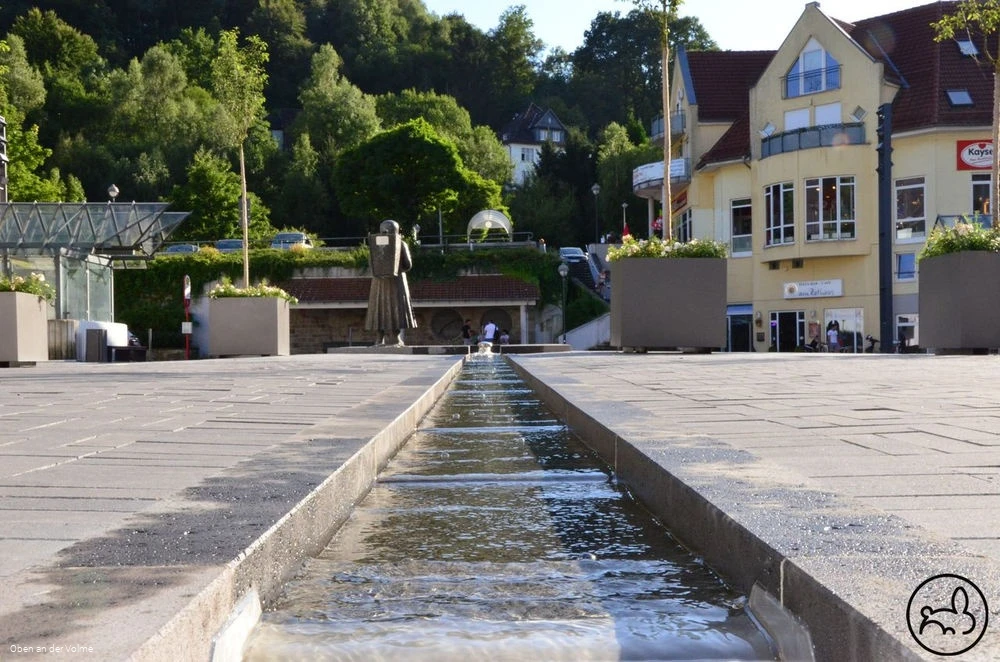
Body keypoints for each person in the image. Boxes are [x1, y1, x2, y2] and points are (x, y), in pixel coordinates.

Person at [365, 220, 417, 346]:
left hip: (378, 282)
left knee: (378, 308)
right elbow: (408, 264)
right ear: (397, 231)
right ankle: (395, 337)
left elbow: (371, 263)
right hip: (396, 281)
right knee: (396, 308)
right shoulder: (401, 243)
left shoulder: (375, 244)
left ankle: (379, 338)